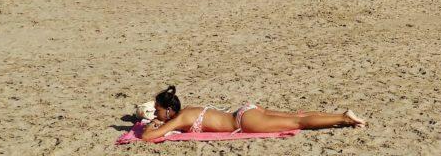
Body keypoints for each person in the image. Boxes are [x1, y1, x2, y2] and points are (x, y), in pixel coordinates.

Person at [140, 86, 366, 141]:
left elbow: (147, 137)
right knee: (296, 115)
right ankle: (341, 114)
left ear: (168, 110)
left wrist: (150, 124)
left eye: (157, 110)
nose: (155, 113)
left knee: (299, 121)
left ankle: (344, 118)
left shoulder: (179, 118)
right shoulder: (186, 111)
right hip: (246, 110)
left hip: (244, 120)